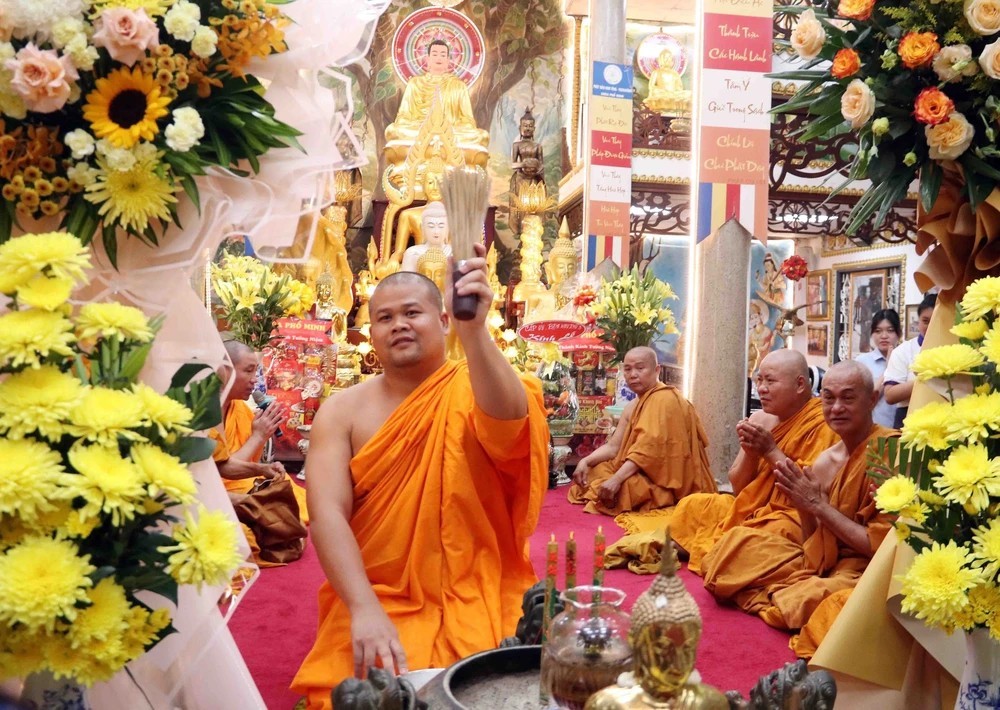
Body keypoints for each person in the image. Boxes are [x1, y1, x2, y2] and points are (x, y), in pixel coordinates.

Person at [291, 255, 549, 708]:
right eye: (384, 318)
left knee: (498, 683)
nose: (399, 325)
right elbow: (327, 512)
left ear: (443, 319)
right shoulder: (342, 410)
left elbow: (510, 423)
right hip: (377, 592)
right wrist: (363, 608)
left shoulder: (478, 383)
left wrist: (475, 332)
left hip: (478, 586)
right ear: (370, 333)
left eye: (412, 312)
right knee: (354, 693)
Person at [699, 362, 894, 646]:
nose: (836, 407)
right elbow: (813, 545)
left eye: (848, 398)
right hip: (829, 563)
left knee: (818, 603)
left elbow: (884, 547)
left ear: (872, 400)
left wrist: (817, 505)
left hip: (873, 568)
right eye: (829, 398)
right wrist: (806, 507)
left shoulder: (889, 453)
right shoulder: (826, 461)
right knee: (733, 551)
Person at [671, 350, 839, 575]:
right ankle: (722, 553)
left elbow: (808, 495)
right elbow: (739, 488)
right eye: (759, 380)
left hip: (792, 516)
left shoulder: (824, 425)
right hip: (753, 508)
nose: (761, 388)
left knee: (757, 536)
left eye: (770, 381)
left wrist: (770, 450)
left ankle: (718, 552)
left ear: (800, 384)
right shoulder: (760, 419)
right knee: (695, 505)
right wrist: (751, 453)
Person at [567, 347, 716, 515]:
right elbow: (613, 447)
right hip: (639, 469)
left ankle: (649, 495)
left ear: (656, 370)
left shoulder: (665, 399)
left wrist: (617, 479)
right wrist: (585, 461)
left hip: (664, 480)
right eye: (628, 369)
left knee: (626, 488)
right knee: (595, 470)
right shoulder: (633, 405)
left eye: (640, 368)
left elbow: (646, 451)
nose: (633, 374)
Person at [209, 340, 309, 561]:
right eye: (249, 370)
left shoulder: (239, 408)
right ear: (225, 370)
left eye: (257, 371)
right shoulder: (208, 407)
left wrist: (263, 469)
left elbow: (222, 463)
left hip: (233, 486)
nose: (255, 379)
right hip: (205, 492)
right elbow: (214, 472)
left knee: (285, 509)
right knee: (249, 540)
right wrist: (259, 436)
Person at [384, 39, 490, 169]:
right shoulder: (415, 84)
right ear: (427, 59)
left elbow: (467, 120)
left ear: (448, 61)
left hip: (451, 134)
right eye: (434, 54)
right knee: (393, 131)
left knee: (481, 136)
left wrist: (449, 129)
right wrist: (423, 127)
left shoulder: (458, 86)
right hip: (419, 132)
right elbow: (404, 117)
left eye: (443, 55)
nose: (438, 58)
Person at [884, 292, 937, 428]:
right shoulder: (903, 351)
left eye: (936, 321)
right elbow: (890, 395)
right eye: (925, 321)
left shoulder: (956, 348)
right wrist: (928, 378)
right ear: (918, 321)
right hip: (908, 418)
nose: (930, 326)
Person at [854, 308, 902, 428]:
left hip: (901, 430)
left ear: (899, 333)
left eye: (890, 331)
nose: (884, 336)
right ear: (872, 334)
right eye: (878, 331)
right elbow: (865, 400)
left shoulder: (906, 359)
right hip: (872, 430)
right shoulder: (862, 362)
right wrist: (888, 369)